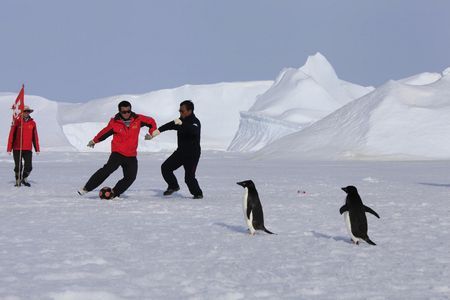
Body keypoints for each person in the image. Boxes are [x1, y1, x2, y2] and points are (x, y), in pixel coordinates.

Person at [78, 100, 157, 198]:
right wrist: (95, 141)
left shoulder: (138, 119)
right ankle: (86, 188)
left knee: (131, 177)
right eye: (124, 112)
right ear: (119, 111)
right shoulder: (114, 123)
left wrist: (152, 132)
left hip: (131, 155)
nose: (127, 114)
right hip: (118, 153)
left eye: (128, 111)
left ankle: (114, 193)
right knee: (107, 170)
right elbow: (105, 132)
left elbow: (151, 121)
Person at [148, 100, 203, 199]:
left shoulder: (195, 122)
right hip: (180, 153)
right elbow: (168, 126)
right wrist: (154, 133)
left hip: (192, 155)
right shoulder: (180, 121)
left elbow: (193, 130)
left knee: (189, 178)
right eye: (179, 110)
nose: (180, 112)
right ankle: (173, 186)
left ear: (189, 111)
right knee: (165, 168)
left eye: (182, 111)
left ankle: (198, 194)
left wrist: (182, 124)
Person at [7, 105, 40, 187]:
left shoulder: (33, 123)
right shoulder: (17, 122)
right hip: (17, 148)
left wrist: (37, 148)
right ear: (22, 112)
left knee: (29, 166)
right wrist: (9, 148)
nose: (26, 113)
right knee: (18, 166)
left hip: (28, 148)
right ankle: (18, 180)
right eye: (25, 111)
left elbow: (35, 136)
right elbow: (11, 135)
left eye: (28, 111)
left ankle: (24, 178)